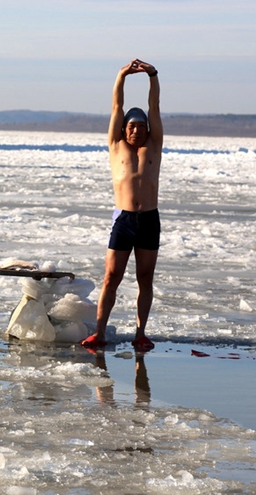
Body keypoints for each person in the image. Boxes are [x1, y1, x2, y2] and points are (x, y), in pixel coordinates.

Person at [82, 59, 163, 352]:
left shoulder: (153, 147)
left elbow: (154, 107)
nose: (136, 131)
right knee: (111, 277)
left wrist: (152, 75)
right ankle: (99, 333)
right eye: (131, 126)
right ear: (124, 129)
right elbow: (117, 107)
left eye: (141, 127)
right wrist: (121, 75)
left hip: (149, 220)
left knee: (145, 278)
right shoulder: (117, 148)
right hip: (124, 220)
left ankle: (141, 333)